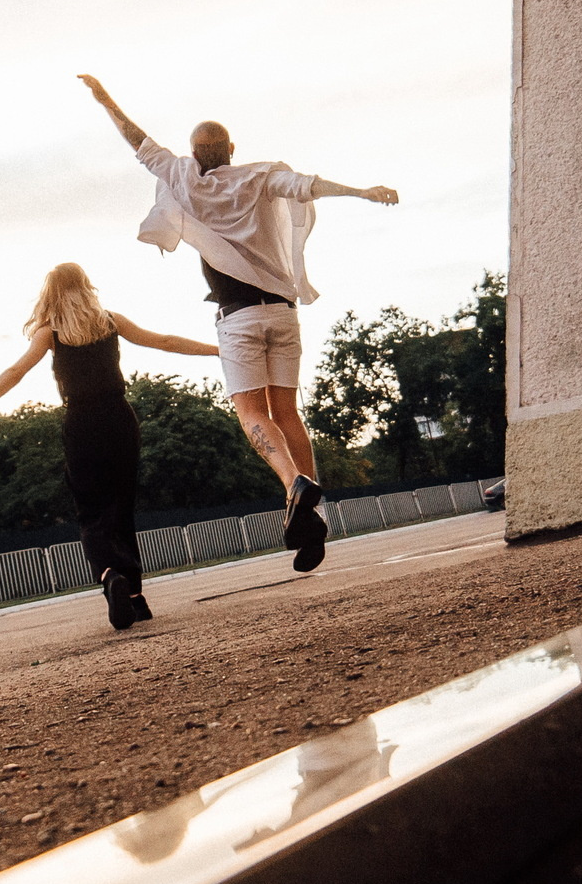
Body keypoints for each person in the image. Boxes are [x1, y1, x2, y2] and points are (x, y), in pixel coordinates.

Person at [80, 72, 399, 575]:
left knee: (251, 412)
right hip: (282, 311)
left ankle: (294, 485)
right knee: (286, 410)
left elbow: (139, 142)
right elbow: (307, 185)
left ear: (192, 151)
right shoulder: (260, 174)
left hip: (237, 318)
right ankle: (312, 510)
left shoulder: (179, 176)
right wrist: (362, 191)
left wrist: (105, 100)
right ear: (231, 147)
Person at [0, 262, 219, 631]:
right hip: (120, 419)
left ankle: (110, 574)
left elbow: (17, 371)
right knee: (121, 506)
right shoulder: (111, 321)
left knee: (92, 510)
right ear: (86, 285)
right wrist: (218, 350)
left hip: (81, 424)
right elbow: (164, 341)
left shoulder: (50, 333)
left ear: (50, 293)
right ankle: (134, 597)